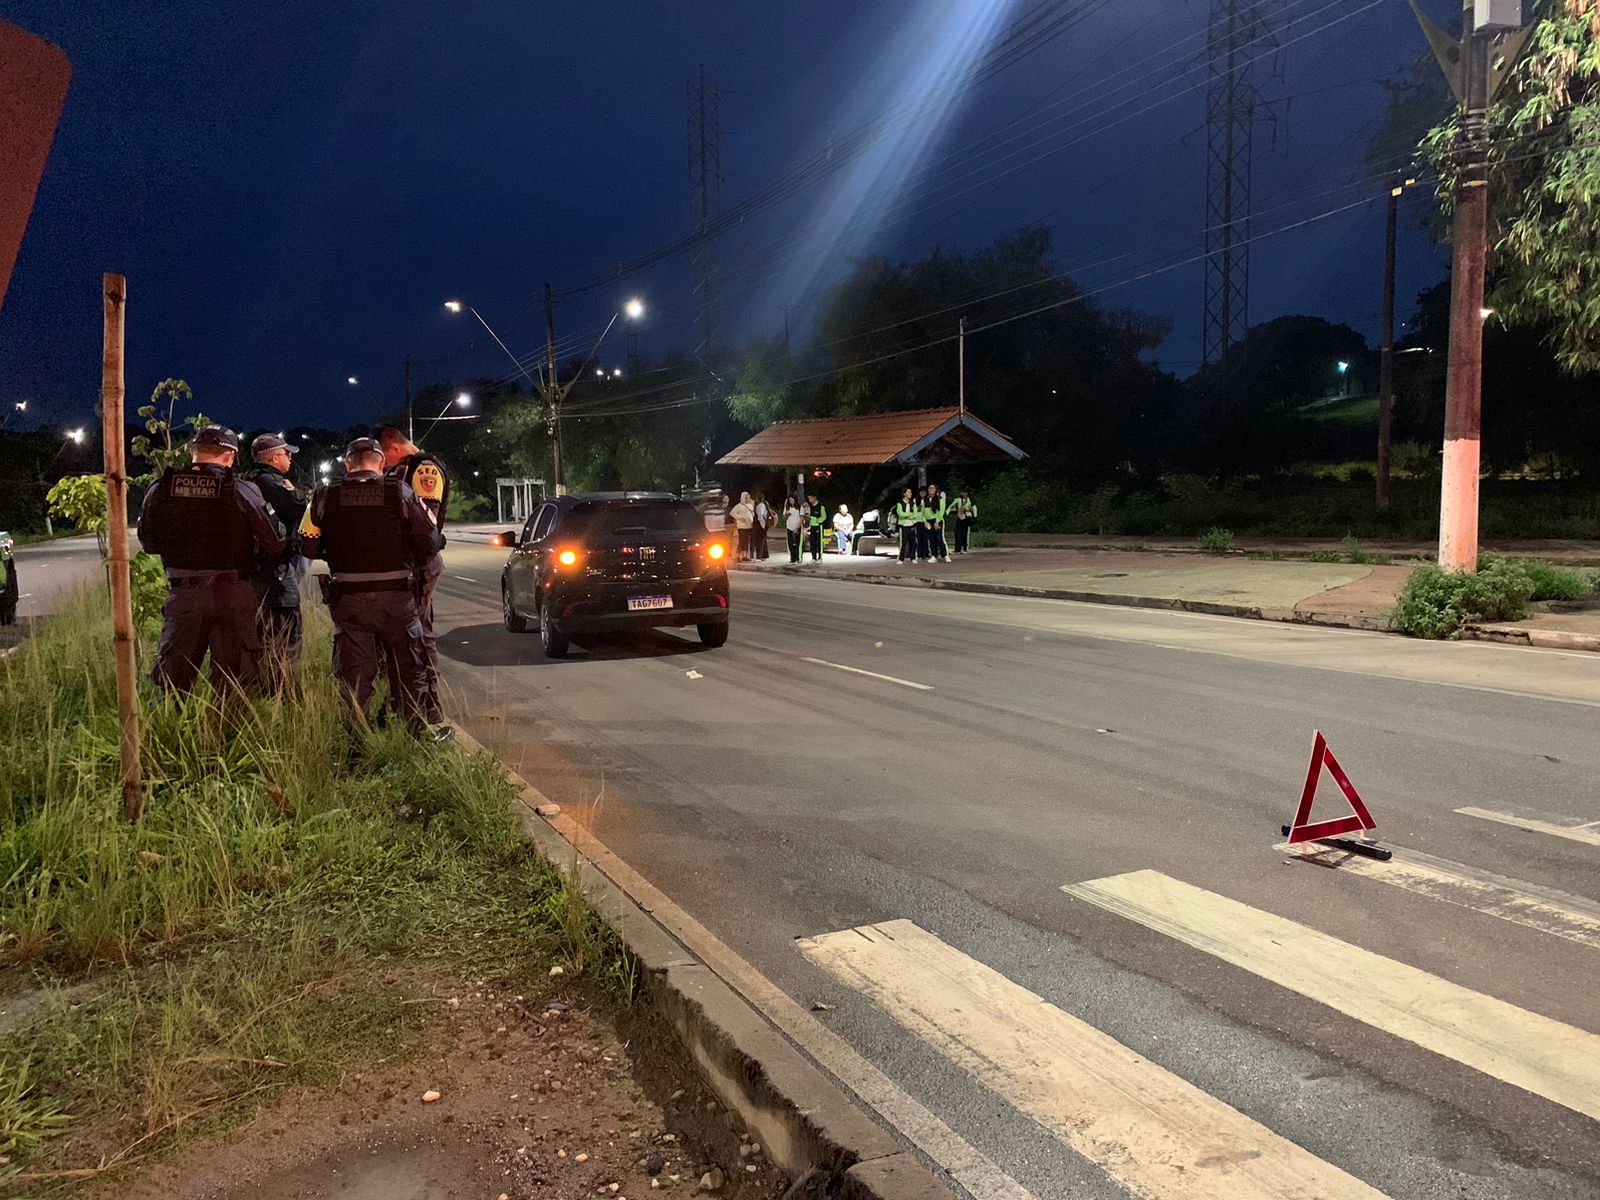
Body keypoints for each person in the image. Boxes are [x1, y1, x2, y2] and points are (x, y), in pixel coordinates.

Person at [300, 438, 442, 730]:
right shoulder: (400, 492)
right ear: (381, 463)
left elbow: (307, 545)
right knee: (408, 668)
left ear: (347, 463)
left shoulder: (325, 496)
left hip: (349, 599)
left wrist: (334, 550)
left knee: (354, 673)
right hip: (398, 600)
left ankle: (355, 740)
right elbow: (429, 541)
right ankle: (413, 734)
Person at [136, 425, 286, 693]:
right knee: (235, 680)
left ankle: (173, 731)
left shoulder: (161, 488)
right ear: (230, 456)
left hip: (183, 595)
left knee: (173, 682)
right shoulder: (242, 490)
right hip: (233, 594)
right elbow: (274, 543)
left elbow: (148, 543)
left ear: (194, 452)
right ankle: (226, 731)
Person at [377, 427, 448, 715]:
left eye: (384, 458)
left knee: (419, 634)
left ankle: (429, 705)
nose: (384, 465)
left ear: (392, 448)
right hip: (410, 564)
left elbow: (425, 526)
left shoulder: (423, 469)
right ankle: (411, 701)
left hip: (419, 564)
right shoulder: (408, 469)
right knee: (413, 632)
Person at [239, 432, 308, 685]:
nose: (290, 458)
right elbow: (298, 506)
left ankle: (262, 683)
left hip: (253, 569)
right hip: (275, 570)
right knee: (285, 626)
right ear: (274, 457)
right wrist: (297, 493)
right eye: (287, 454)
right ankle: (282, 689)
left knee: (261, 628)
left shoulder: (247, 480)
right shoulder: (271, 482)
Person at [924, 482, 949, 562]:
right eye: (930, 488)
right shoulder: (925, 499)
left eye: (933, 488)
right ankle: (934, 555)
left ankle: (945, 555)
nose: (931, 490)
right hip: (929, 521)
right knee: (931, 539)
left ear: (935, 490)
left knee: (940, 538)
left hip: (937, 520)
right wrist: (925, 521)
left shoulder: (939, 499)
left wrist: (937, 521)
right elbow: (923, 512)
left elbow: (942, 511)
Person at [894, 488, 920, 562]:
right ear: (904, 494)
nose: (910, 493)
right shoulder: (899, 503)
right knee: (903, 542)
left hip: (912, 524)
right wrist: (909, 515)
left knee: (913, 542)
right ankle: (901, 558)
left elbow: (915, 514)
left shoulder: (913, 503)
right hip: (903, 525)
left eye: (911, 492)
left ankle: (913, 558)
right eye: (908, 492)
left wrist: (909, 516)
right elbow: (900, 514)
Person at [729, 492, 755, 561]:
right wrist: (740, 518)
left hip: (749, 525)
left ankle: (745, 556)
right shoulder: (739, 506)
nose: (748, 499)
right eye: (746, 497)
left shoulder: (750, 505)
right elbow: (732, 513)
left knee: (747, 541)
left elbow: (752, 513)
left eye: (749, 497)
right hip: (742, 526)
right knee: (742, 541)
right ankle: (738, 556)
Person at [951, 488, 978, 554]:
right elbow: (953, 508)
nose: (964, 494)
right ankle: (957, 548)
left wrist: (966, 510)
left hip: (967, 518)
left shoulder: (970, 500)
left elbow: (973, 509)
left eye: (965, 492)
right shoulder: (958, 500)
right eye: (963, 492)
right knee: (957, 533)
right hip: (959, 517)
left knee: (964, 533)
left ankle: (964, 548)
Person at [805, 490, 826, 561]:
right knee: (812, 542)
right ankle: (813, 557)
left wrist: (817, 520)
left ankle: (820, 557)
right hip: (812, 527)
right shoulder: (809, 506)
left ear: (815, 497)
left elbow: (824, 516)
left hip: (818, 526)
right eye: (808, 498)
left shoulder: (821, 506)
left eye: (810, 498)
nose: (809, 500)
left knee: (819, 542)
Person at [751, 492, 772, 561]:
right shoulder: (765, 504)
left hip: (759, 525)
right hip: (763, 525)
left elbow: (760, 517)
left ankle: (759, 557)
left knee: (759, 541)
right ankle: (764, 555)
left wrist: (762, 526)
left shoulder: (760, 506)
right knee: (763, 541)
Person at [783, 497, 804, 564]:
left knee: (797, 543)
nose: (791, 502)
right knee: (790, 543)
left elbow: (801, 518)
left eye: (792, 500)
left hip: (797, 527)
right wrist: (787, 515)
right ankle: (792, 558)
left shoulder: (799, 507)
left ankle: (798, 558)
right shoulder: (787, 508)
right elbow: (784, 518)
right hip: (789, 527)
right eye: (790, 500)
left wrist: (797, 528)